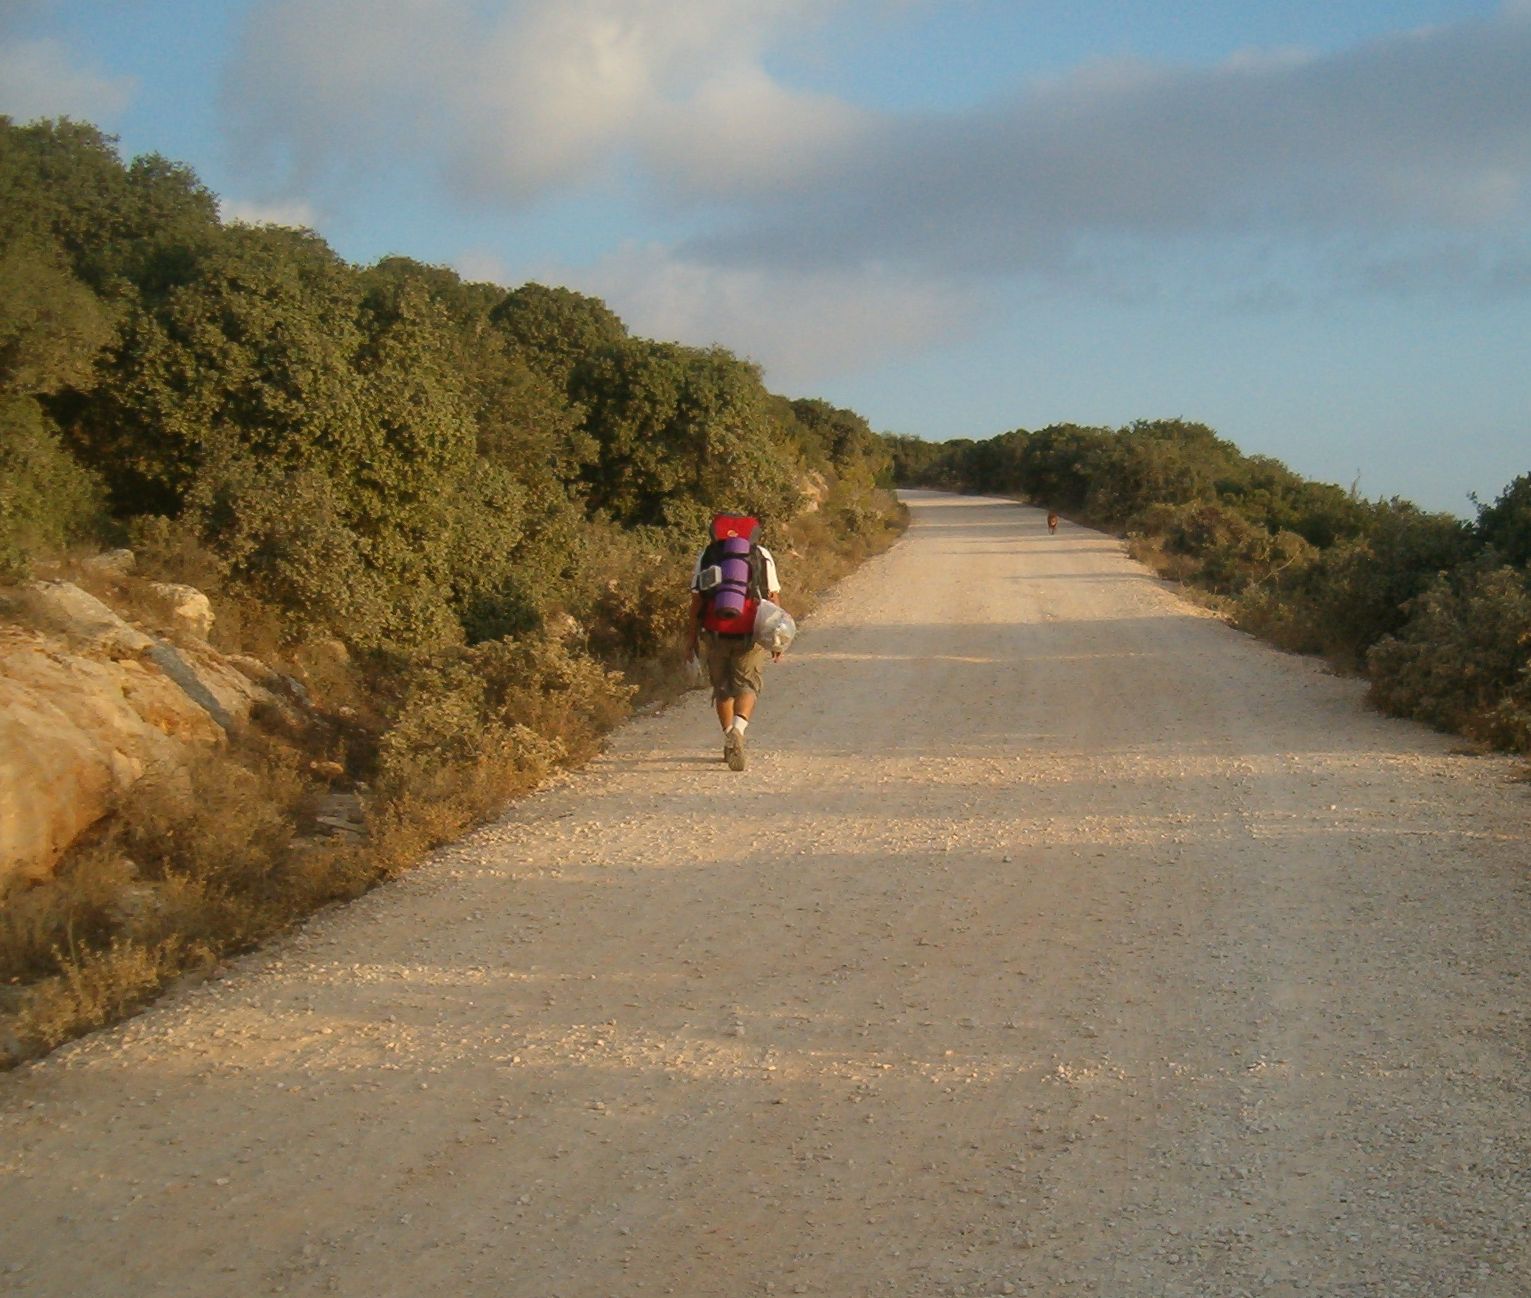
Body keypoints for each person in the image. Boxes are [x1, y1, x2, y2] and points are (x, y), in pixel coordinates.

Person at [685, 514, 782, 772]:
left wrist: (690, 640)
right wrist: (777, 638)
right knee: (747, 685)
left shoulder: (708, 554)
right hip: (750, 632)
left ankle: (728, 735)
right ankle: (738, 730)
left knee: (723, 688)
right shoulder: (762, 554)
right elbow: (772, 597)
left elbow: (697, 602)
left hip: (715, 631)